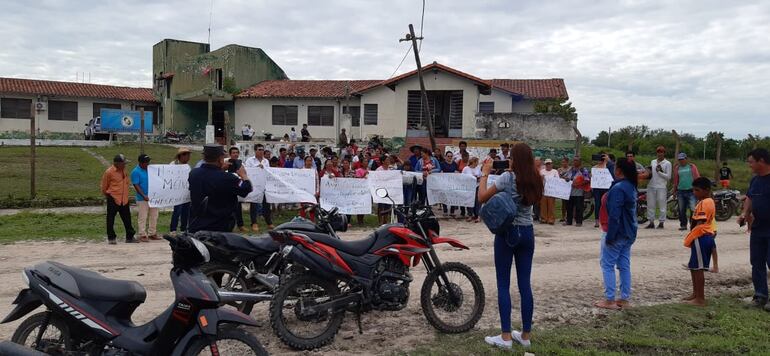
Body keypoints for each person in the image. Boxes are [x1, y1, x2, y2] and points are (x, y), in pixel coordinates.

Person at [478, 143, 543, 349]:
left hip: (508, 233)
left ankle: (505, 336)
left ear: (514, 159)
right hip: (527, 232)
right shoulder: (537, 179)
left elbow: (482, 198)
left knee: (503, 284)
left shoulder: (507, 178)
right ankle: (525, 335)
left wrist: (485, 174)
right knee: (525, 284)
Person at [595, 158, 638, 310]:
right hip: (629, 233)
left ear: (618, 170)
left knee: (607, 265)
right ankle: (624, 298)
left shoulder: (618, 188)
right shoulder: (630, 186)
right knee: (624, 265)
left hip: (617, 232)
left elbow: (614, 214)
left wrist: (611, 236)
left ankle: (609, 299)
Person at [188, 144, 252, 233]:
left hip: (196, 225)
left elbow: (210, 179)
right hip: (219, 228)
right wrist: (243, 174)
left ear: (204, 157)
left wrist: (220, 170)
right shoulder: (228, 178)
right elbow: (246, 188)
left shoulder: (193, 173)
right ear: (220, 158)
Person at [739, 148, 770, 310]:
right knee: (757, 262)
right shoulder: (755, 180)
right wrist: (745, 213)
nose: (749, 165)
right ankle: (760, 296)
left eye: (751, 161)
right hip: (758, 229)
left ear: (762, 161)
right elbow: (750, 197)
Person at [681, 177, 718, 307]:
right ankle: (695, 294)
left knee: (698, 268)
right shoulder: (707, 201)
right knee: (693, 266)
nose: (695, 193)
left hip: (701, 235)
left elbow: (699, 221)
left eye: (697, 190)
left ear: (706, 190)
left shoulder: (704, 203)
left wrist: (693, 231)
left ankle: (700, 298)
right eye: (694, 190)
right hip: (701, 236)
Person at [101, 154, 136, 244]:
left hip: (124, 199)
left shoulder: (124, 171)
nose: (125, 165)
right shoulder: (109, 172)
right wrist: (110, 195)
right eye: (123, 163)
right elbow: (104, 187)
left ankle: (130, 237)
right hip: (113, 198)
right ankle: (111, 238)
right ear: (117, 163)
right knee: (110, 219)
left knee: (127, 219)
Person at [245, 143, 274, 232]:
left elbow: (268, 172)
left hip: (264, 185)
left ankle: (269, 222)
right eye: (259, 150)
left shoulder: (266, 161)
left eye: (262, 150)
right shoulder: (250, 160)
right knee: (254, 204)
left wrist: (264, 168)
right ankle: (254, 223)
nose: (261, 151)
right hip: (254, 185)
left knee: (266, 204)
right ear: (255, 151)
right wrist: (257, 168)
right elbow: (248, 171)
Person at [131, 154, 159, 242]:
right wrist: (143, 195)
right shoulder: (135, 172)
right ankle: (142, 234)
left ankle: (152, 233)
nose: (148, 163)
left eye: (148, 162)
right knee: (143, 216)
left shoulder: (150, 170)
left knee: (154, 215)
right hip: (142, 198)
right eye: (146, 162)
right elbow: (136, 185)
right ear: (140, 163)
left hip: (153, 196)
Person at [672, 153, 701, 231]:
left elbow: (697, 178)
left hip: (691, 191)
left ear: (686, 159)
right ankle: (683, 225)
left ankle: (693, 224)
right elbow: (675, 181)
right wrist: (674, 191)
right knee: (681, 209)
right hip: (681, 191)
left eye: (682, 159)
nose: (681, 161)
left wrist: (698, 190)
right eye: (680, 160)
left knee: (693, 209)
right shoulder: (677, 168)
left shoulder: (692, 167)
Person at [646, 146, 672, 229]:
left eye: (661, 152)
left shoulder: (667, 163)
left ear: (664, 153)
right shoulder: (653, 161)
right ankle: (651, 222)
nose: (660, 154)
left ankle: (661, 222)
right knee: (650, 204)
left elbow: (668, 177)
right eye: (658, 152)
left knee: (662, 204)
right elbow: (651, 173)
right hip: (651, 185)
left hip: (661, 186)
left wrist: (659, 172)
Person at [170, 147, 192, 235]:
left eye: (189, 155)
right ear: (181, 156)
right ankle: (173, 229)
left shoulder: (188, 167)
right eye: (186, 155)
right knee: (177, 210)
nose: (188, 157)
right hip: (176, 192)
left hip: (186, 192)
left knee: (186, 211)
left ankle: (183, 229)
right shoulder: (173, 165)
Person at [226, 146, 248, 233]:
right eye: (233, 153)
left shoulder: (242, 164)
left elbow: (245, 174)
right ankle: (230, 225)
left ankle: (240, 225)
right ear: (230, 154)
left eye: (236, 152)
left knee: (238, 207)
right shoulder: (226, 163)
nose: (235, 154)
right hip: (228, 187)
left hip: (238, 186)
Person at [565, 157, 590, 227]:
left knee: (579, 207)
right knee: (569, 207)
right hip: (569, 192)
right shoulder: (570, 169)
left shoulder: (583, 170)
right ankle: (569, 221)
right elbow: (565, 177)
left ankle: (579, 222)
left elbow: (587, 180)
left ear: (580, 162)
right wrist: (566, 179)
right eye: (574, 160)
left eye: (576, 160)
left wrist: (578, 184)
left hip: (579, 192)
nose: (574, 162)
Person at [591, 154, 611, 228]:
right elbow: (593, 178)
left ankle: (606, 219)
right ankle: (597, 220)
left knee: (606, 203)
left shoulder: (606, 166)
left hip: (606, 187)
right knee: (597, 203)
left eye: (601, 159)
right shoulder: (594, 168)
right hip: (597, 188)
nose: (599, 161)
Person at [462, 157, 482, 223]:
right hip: (469, 187)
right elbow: (462, 177)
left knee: (478, 201)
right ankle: (470, 214)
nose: (477, 163)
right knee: (469, 200)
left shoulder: (478, 168)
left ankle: (478, 216)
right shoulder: (466, 169)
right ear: (473, 162)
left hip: (477, 186)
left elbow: (481, 176)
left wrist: (478, 178)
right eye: (476, 162)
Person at [540, 159, 560, 225]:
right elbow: (538, 180)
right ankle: (543, 218)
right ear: (545, 165)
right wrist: (541, 178)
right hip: (543, 191)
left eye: (549, 163)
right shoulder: (542, 171)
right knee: (543, 205)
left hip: (551, 191)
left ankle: (551, 219)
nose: (548, 165)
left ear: (552, 164)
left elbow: (558, 180)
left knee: (551, 205)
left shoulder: (555, 171)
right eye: (547, 164)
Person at [441, 151, 459, 217]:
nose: (450, 157)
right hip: (444, 182)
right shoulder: (442, 164)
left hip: (453, 182)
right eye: (448, 156)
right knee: (444, 196)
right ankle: (445, 211)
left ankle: (452, 211)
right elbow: (440, 172)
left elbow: (457, 171)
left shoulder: (454, 164)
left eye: (451, 156)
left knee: (453, 196)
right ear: (445, 157)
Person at [558, 157, 571, 222]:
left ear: (567, 162)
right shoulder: (559, 169)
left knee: (570, 203)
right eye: (562, 162)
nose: (563, 163)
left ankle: (571, 216)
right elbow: (557, 177)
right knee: (563, 203)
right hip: (562, 188)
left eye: (565, 162)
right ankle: (563, 216)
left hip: (569, 187)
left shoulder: (571, 169)